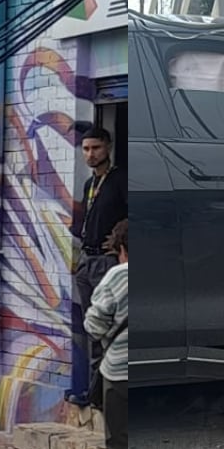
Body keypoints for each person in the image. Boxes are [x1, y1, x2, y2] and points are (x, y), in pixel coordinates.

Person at [69, 126, 126, 405]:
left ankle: (102, 395)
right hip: (86, 261)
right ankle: (92, 393)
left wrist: (119, 242)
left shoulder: (120, 180)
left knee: (108, 328)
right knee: (90, 328)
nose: (90, 154)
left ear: (108, 148)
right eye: (86, 149)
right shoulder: (89, 184)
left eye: (96, 148)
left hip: (107, 263)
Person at [83, 220, 129, 449]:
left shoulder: (117, 276)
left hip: (121, 373)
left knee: (121, 446)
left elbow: (94, 323)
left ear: (122, 248)